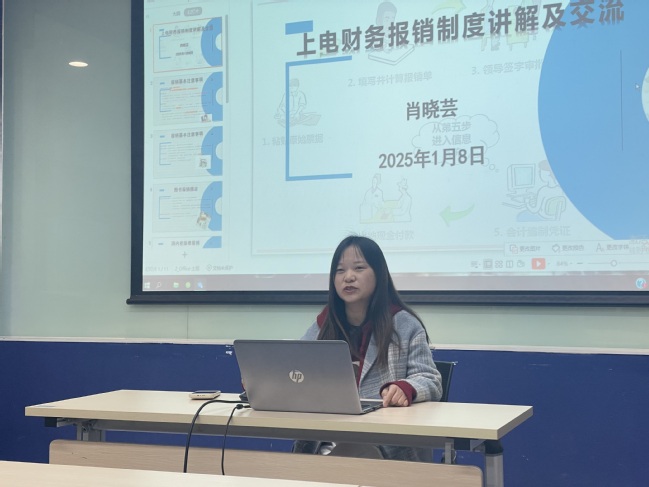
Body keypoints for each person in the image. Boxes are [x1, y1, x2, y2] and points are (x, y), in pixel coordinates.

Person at [292, 235, 443, 462]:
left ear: (379, 274)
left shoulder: (404, 325)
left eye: (359, 268)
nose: (348, 277)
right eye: (340, 271)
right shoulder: (324, 325)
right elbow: (295, 368)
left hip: (384, 448)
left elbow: (430, 379)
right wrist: (269, 381)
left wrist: (405, 388)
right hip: (324, 442)